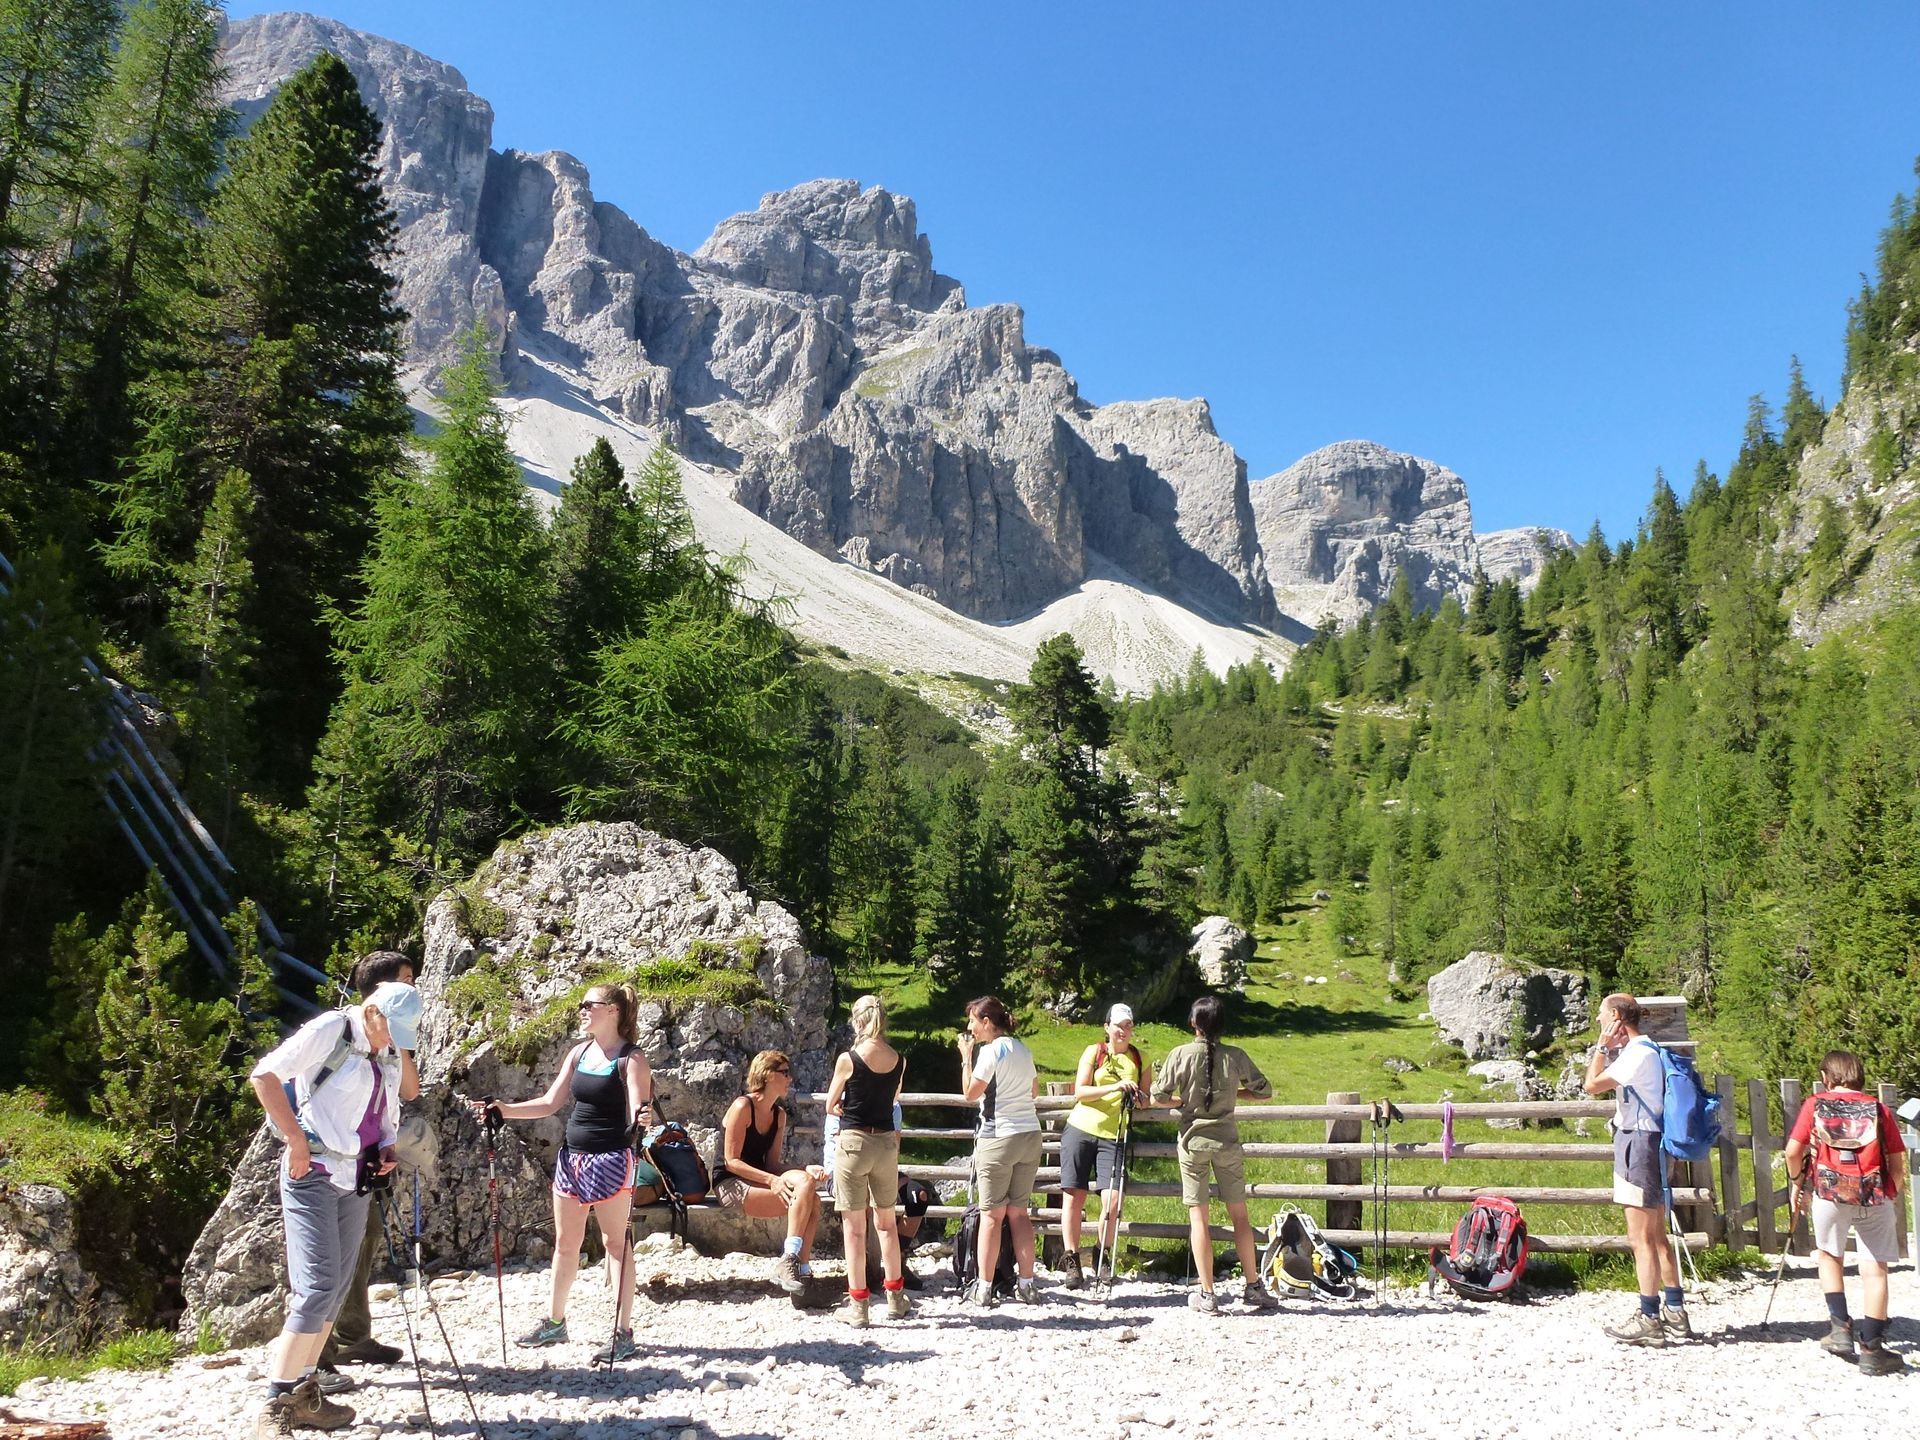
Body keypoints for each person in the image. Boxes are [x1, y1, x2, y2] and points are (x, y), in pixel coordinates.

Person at [247, 980, 421, 1438]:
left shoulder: (386, 1050)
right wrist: (295, 1140)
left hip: (357, 1178)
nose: (393, 1043)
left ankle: (305, 1393)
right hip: (314, 1175)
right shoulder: (331, 1029)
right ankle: (275, 1403)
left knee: (338, 1285)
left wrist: (386, 1147)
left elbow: (386, 1109)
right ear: (371, 1012)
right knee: (317, 1286)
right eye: (390, 1031)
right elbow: (264, 1077)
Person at [470, 984, 651, 1364]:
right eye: (582, 1005)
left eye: (590, 1005)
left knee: (615, 1243)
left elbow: (639, 1105)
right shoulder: (579, 1053)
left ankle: (623, 1332)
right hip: (573, 1160)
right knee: (565, 1244)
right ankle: (555, 1322)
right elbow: (551, 1103)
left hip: (613, 1160)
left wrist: (641, 1119)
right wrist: (504, 1109)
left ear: (614, 1010)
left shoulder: (632, 1059)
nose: (582, 1010)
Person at [318, 952, 420, 1383]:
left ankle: (353, 1336)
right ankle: (315, 1355)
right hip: (333, 1162)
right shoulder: (337, 1031)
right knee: (327, 1258)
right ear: (380, 992)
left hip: (373, 1158)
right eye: (407, 980)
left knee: (364, 1244)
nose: (414, 988)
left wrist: (401, 1044)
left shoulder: (392, 1038)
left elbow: (409, 1091)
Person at [1783, 1049, 1908, 1375]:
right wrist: (1889, 1193)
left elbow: (1792, 1151)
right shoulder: (1878, 1109)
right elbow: (1897, 1162)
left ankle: (1840, 1329)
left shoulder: (1815, 1105)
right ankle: (1871, 1349)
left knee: (1829, 1255)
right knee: (1875, 1268)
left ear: (1827, 1076)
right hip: (1873, 1194)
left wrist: (1799, 1181)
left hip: (1829, 1192)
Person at [1152, 995, 1278, 1314]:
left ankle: (1208, 1294)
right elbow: (1265, 1091)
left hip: (1193, 1143)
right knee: (1240, 1216)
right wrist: (1234, 1092)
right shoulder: (1235, 1056)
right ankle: (1253, 1286)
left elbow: (1157, 1096)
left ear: (1193, 1023)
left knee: (1199, 1218)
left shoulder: (1179, 1054)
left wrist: (1180, 1103)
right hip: (1227, 1143)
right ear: (1221, 1024)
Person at [1581, 992, 1689, 1345]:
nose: (1598, 1020)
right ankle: (1675, 1311)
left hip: (1638, 1145)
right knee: (1657, 1236)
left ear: (1614, 1016)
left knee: (1640, 1238)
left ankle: (1649, 1317)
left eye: (1601, 1015)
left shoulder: (1637, 1054)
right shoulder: (1648, 1051)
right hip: (1652, 1144)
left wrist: (1601, 1047)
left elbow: (1591, 1085)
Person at [823, 995, 909, 1326]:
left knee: (854, 1228)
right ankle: (895, 1298)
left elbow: (831, 1104)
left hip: (854, 1142)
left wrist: (845, 1108)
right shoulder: (899, 1059)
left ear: (857, 1021)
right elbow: (895, 1098)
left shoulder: (849, 1058)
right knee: (886, 1223)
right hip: (886, 1143)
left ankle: (859, 1305)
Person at [713, 1049, 827, 1294]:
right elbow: (731, 1161)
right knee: (812, 1202)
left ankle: (794, 1265)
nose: (790, 1079)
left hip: (760, 1178)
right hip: (731, 1183)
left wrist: (805, 1169)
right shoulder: (742, 1106)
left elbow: (773, 1164)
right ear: (767, 1075)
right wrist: (772, 1181)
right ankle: (799, 1270)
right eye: (784, 1073)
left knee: (808, 1187)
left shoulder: (779, 1115)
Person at [1058, 1003, 1151, 1289]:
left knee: (1113, 1200)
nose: (1123, 1031)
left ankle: (1101, 1253)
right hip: (1081, 1130)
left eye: (1128, 1026)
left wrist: (1138, 1097)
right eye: (1118, 1025)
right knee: (1074, 1197)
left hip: (1115, 1135)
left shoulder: (1140, 1058)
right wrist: (1116, 1087)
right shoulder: (1094, 1051)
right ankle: (1072, 1259)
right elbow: (1081, 1092)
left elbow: (1147, 1099)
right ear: (1107, 1027)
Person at [958, 995, 1043, 1307]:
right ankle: (1028, 1283)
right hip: (1030, 1134)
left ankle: (983, 1287)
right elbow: (1033, 1090)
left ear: (986, 1022)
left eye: (973, 1021)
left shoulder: (991, 1051)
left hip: (999, 1137)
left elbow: (970, 1093)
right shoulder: (1022, 1048)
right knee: (1019, 1213)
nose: (970, 1028)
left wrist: (966, 1057)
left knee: (991, 1215)